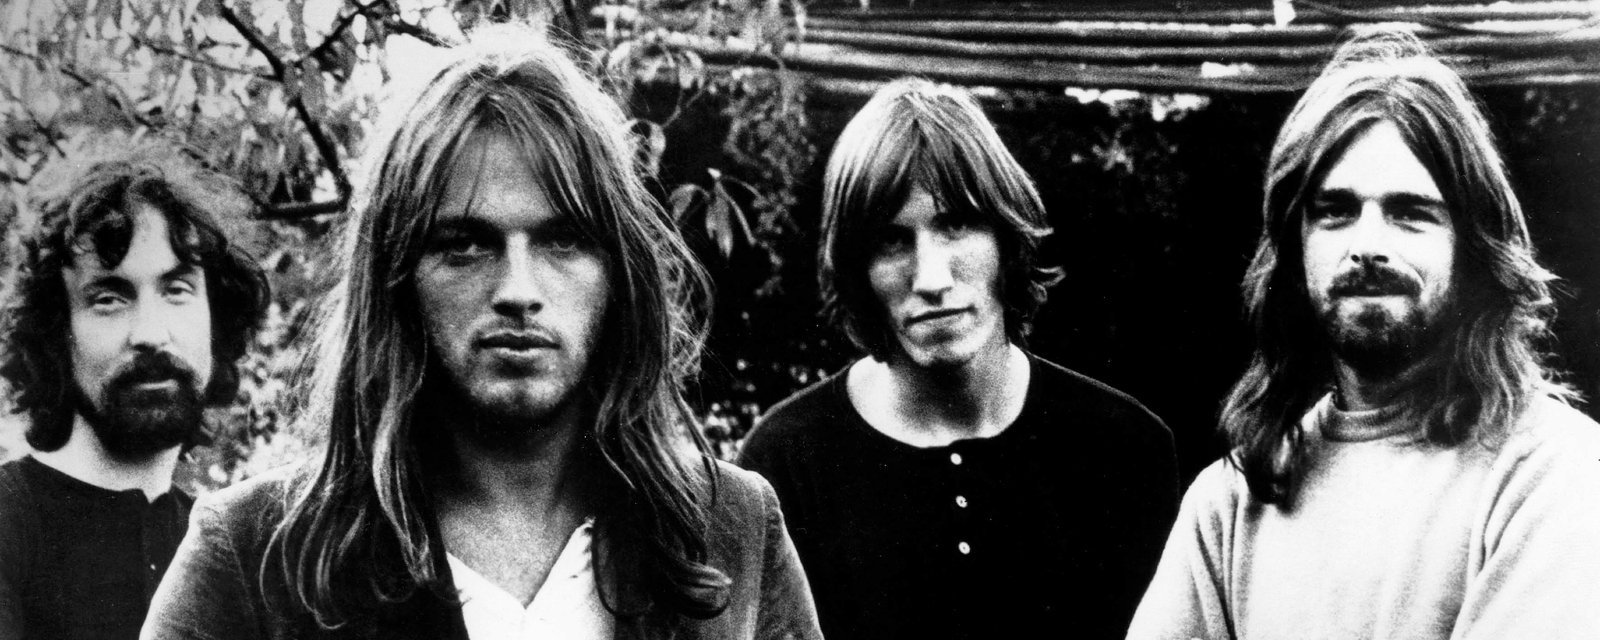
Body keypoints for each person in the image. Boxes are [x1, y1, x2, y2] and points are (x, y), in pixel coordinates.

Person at [142, 25, 820, 640]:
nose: (518, 291)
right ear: (397, 277)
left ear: (619, 274)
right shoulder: (254, 559)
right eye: (466, 244)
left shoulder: (731, 532)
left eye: (563, 240)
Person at [1127, 29, 1600, 640]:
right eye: (1335, 211)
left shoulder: (1554, 471)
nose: (1368, 245)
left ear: (1473, 247)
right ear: (1294, 249)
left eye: (1410, 213)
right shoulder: (1231, 499)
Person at [739, 78, 1179, 640]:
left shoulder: (1125, 449)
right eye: (892, 240)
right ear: (857, 269)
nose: (931, 278)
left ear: (1005, 239)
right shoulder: (785, 464)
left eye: (956, 225)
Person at [0, 138, 271, 640]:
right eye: (109, 298)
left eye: (177, 290)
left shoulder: (237, 551)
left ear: (216, 320)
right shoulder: (9, 522)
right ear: (56, 334)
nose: (150, 332)